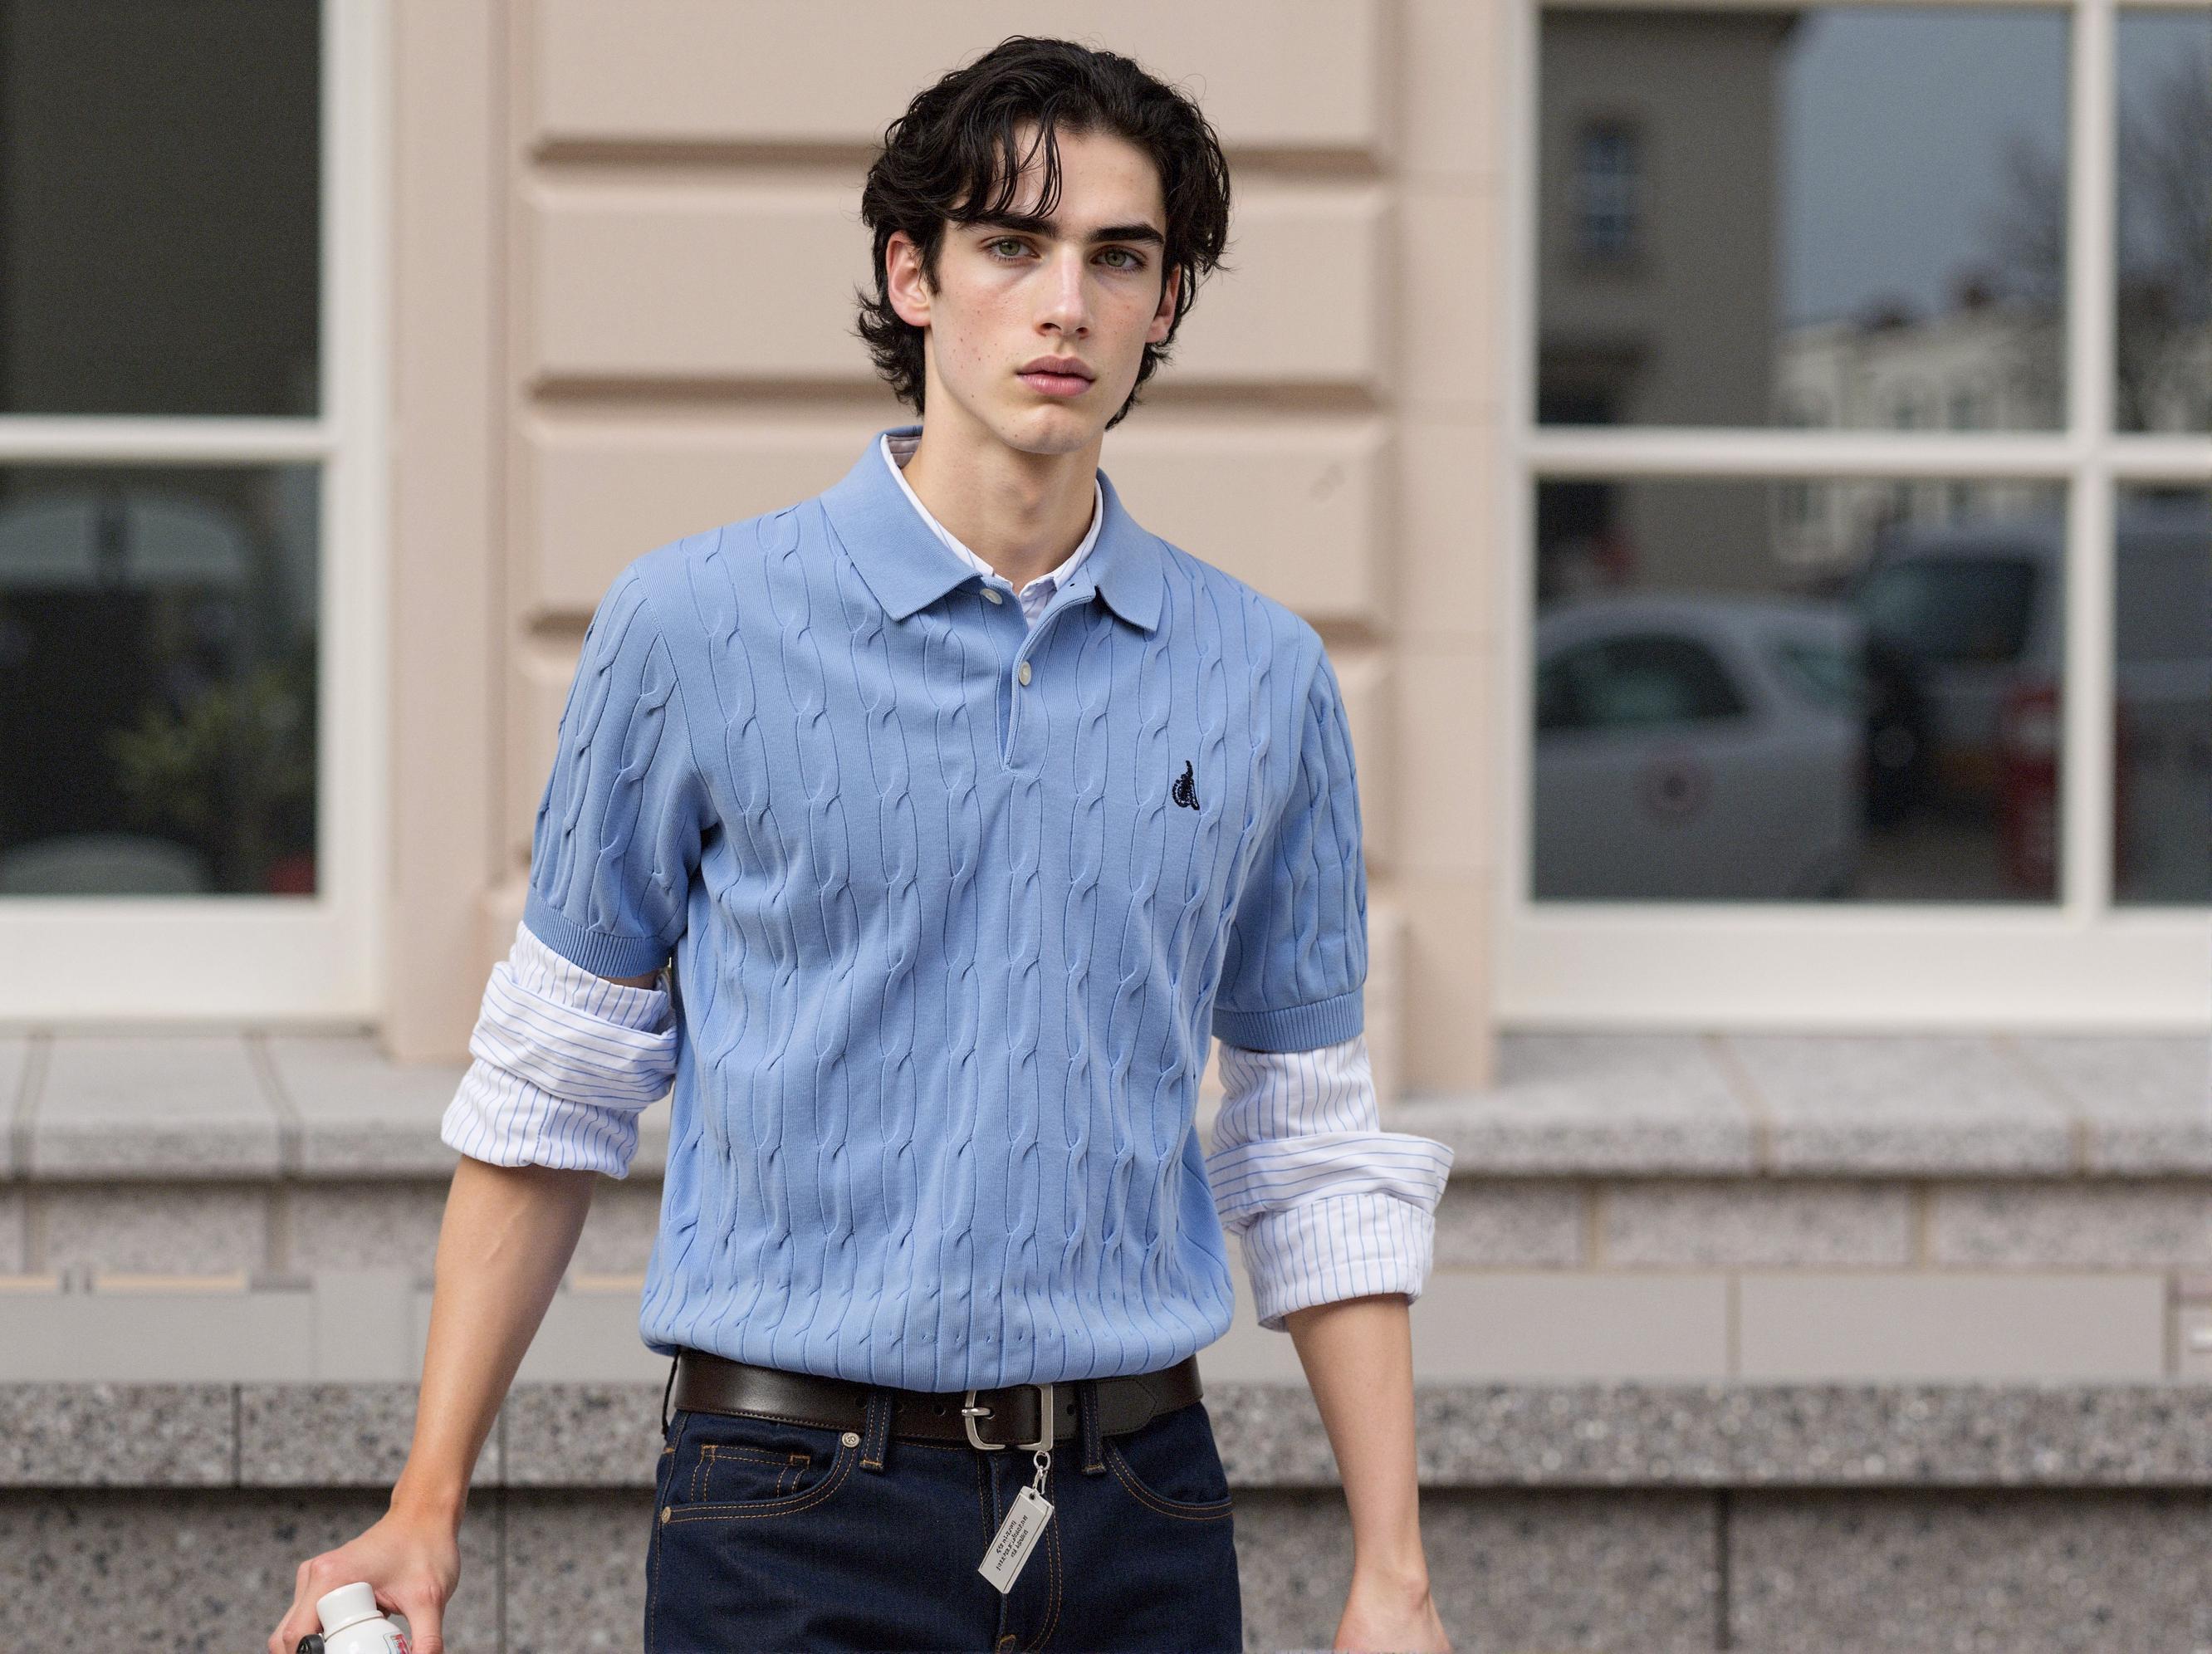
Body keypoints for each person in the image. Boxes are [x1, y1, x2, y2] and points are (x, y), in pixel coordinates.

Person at [272, 34, 1456, 1654]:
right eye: (1012, 245)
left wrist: (1393, 1572)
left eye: (1120, 258)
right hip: (790, 1513)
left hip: (1143, 1513)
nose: (1066, 305)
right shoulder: (691, 629)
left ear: (1167, 300)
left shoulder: (1264, 677)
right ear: (913, 272)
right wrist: (426, 1503)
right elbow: (553, 1089)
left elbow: (1308, 1140)